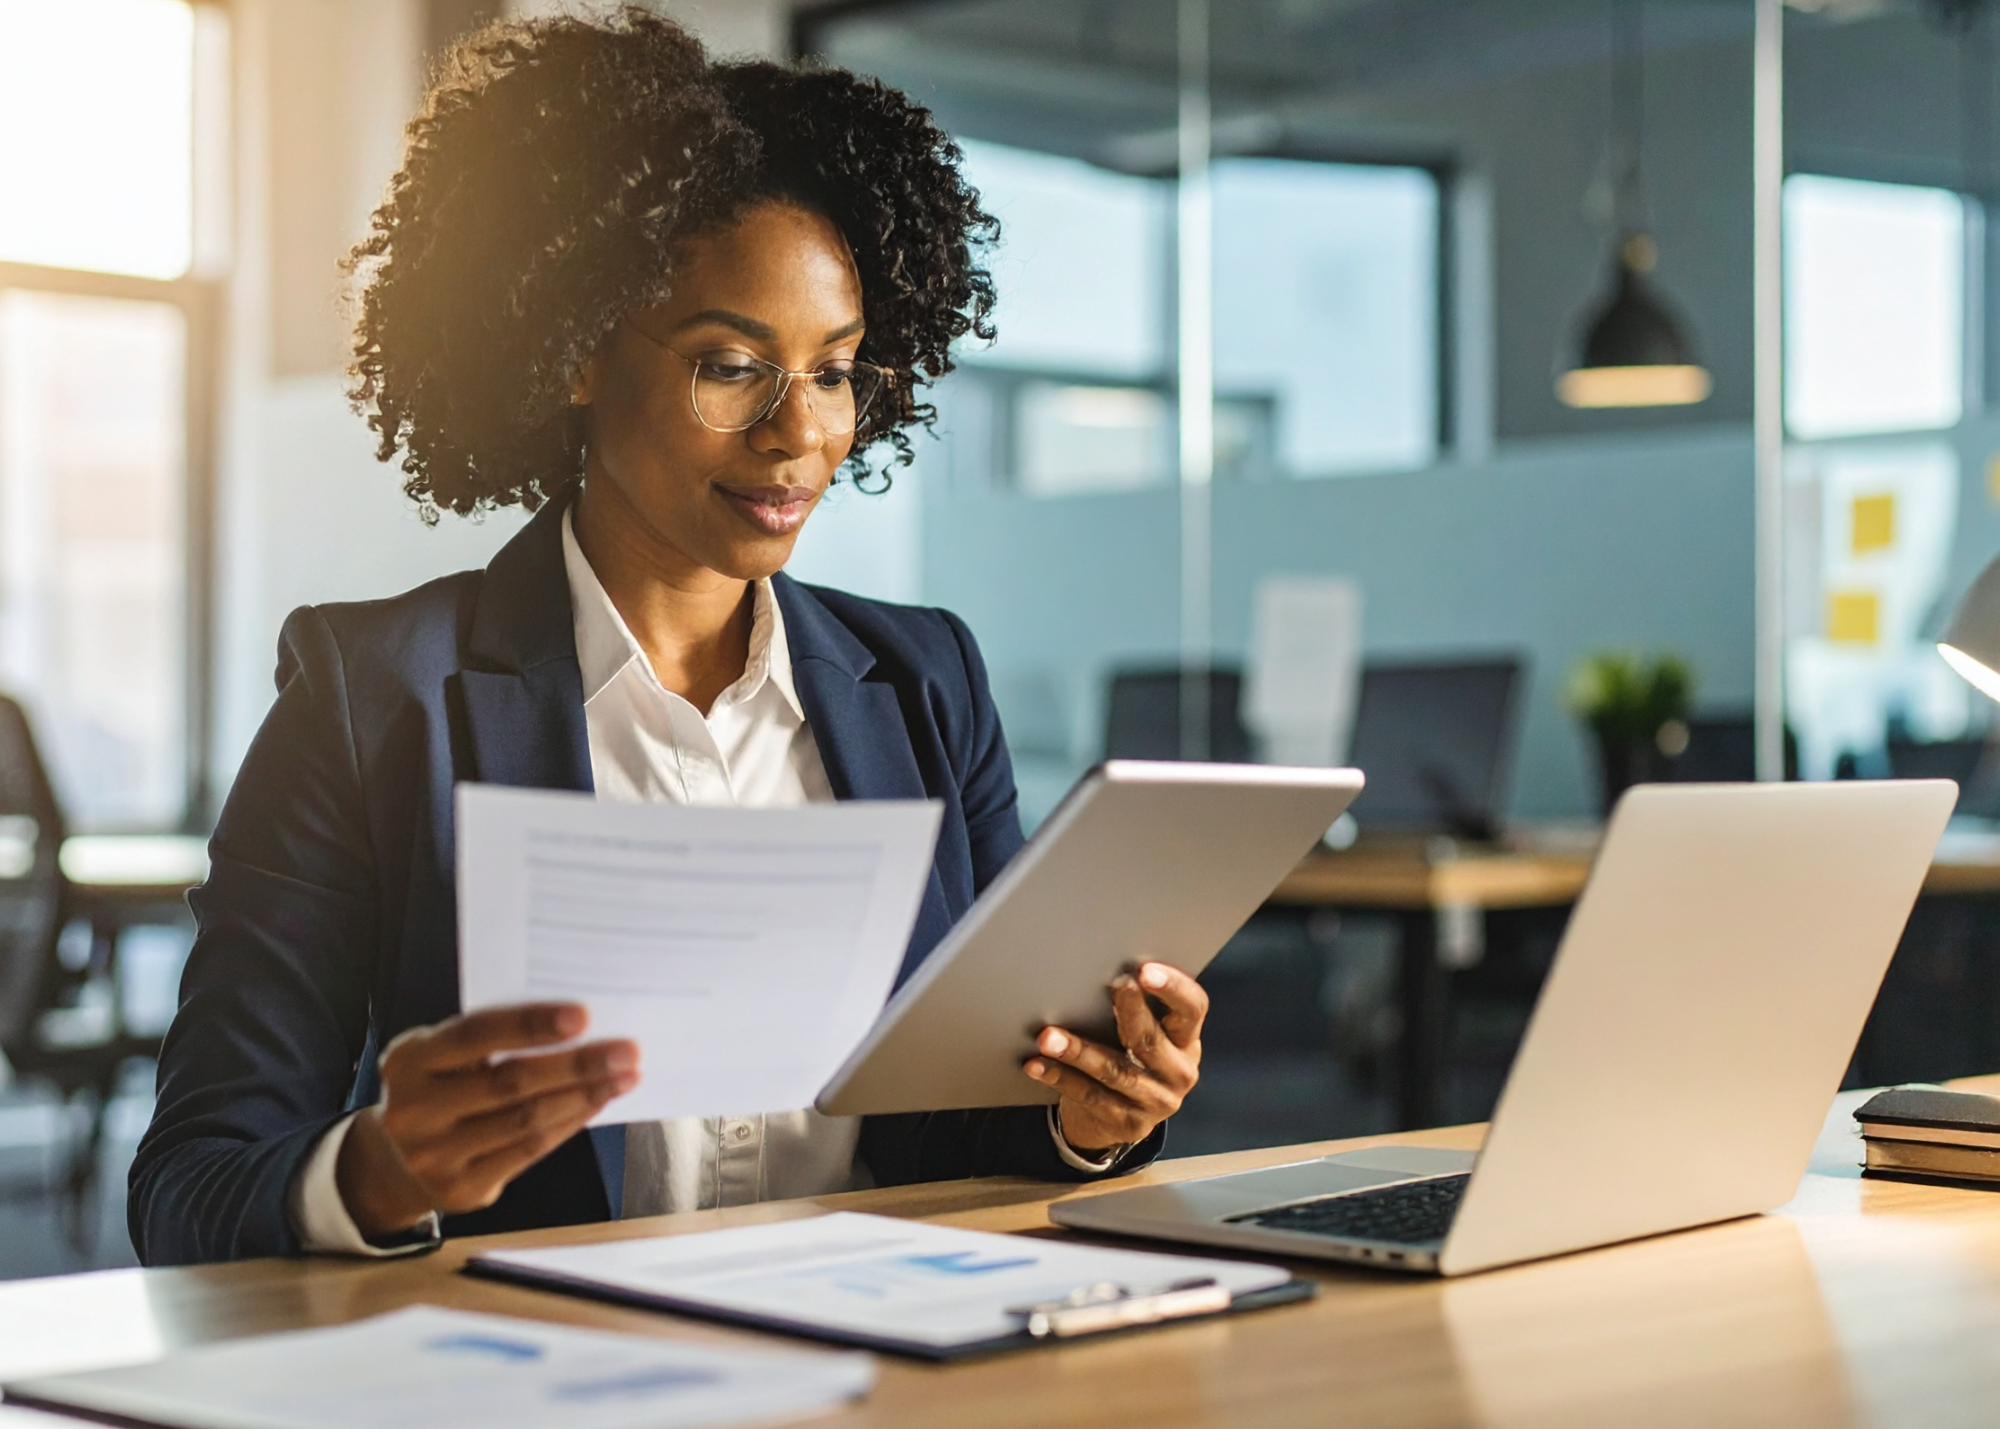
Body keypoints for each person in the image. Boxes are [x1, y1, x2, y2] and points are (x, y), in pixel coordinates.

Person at [129, 8, 1208, 1265]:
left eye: (835, 370)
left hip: (887, 1362)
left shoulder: (923, 685)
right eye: (729, 364)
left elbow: (977, 1136)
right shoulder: (374, 700)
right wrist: (377, 1169)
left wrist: (1087, 1119)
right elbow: (189, 1190)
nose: (797, 434)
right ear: (579, 349)